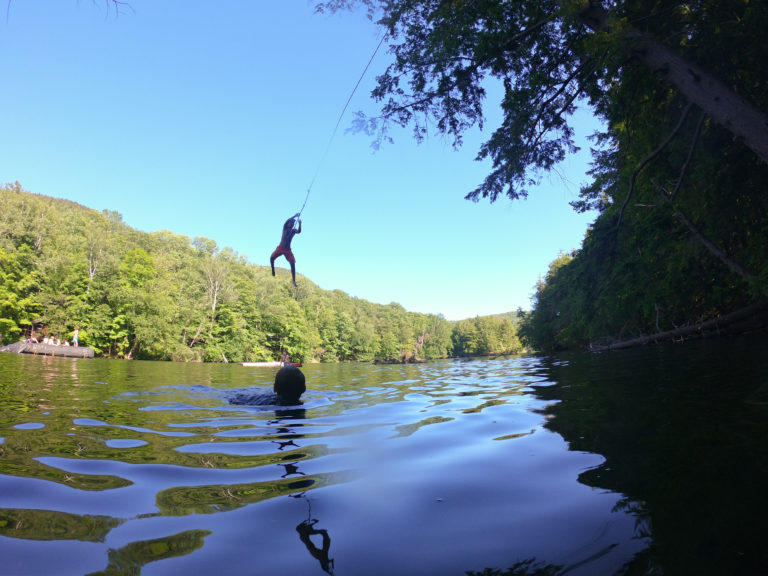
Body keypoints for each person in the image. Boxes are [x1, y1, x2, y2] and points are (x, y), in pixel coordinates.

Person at [270, 213, 302, 287]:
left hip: (288, 250)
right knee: (271, 258)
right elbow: (287, 221)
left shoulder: (293, 231)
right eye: (290, 222)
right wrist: (295, 216)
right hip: (281, 247)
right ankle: (273, 270)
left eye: (292, 223)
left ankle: (294, 281)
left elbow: (299, 231)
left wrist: (300, 224)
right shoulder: (285, 228)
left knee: (293, 263)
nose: (291, 223)